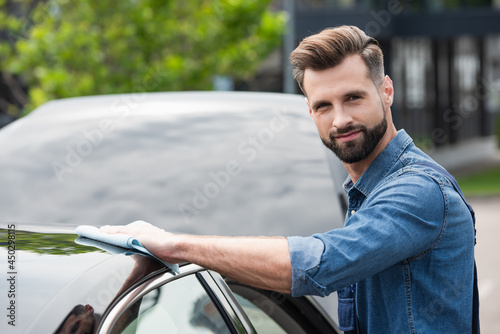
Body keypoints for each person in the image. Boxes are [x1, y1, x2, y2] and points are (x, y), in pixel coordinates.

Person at [102, 25, 476, 333]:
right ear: (309, 111)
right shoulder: (368, 191)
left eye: (353, 98)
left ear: (387, 91)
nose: (340, 119)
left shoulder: (420, 190)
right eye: (324, 106)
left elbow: (318, 265)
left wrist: (172, 245)